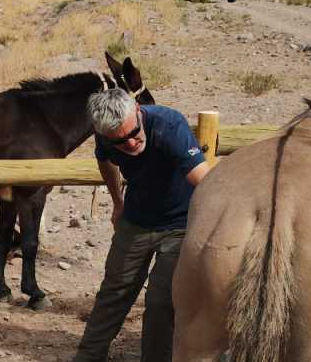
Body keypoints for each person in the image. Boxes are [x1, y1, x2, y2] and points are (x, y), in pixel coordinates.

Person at [74, 88, 210, 362]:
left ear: (137, 109)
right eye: (121, 142)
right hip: (137, 219)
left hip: (181, 223)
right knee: (115, 290)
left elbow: (205, 181)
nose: (131, 144)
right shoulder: (106, 133)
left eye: (134, 134)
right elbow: (104, 161)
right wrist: (117, 201)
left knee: (162, 301)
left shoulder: (168, 125)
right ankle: (89, 355)